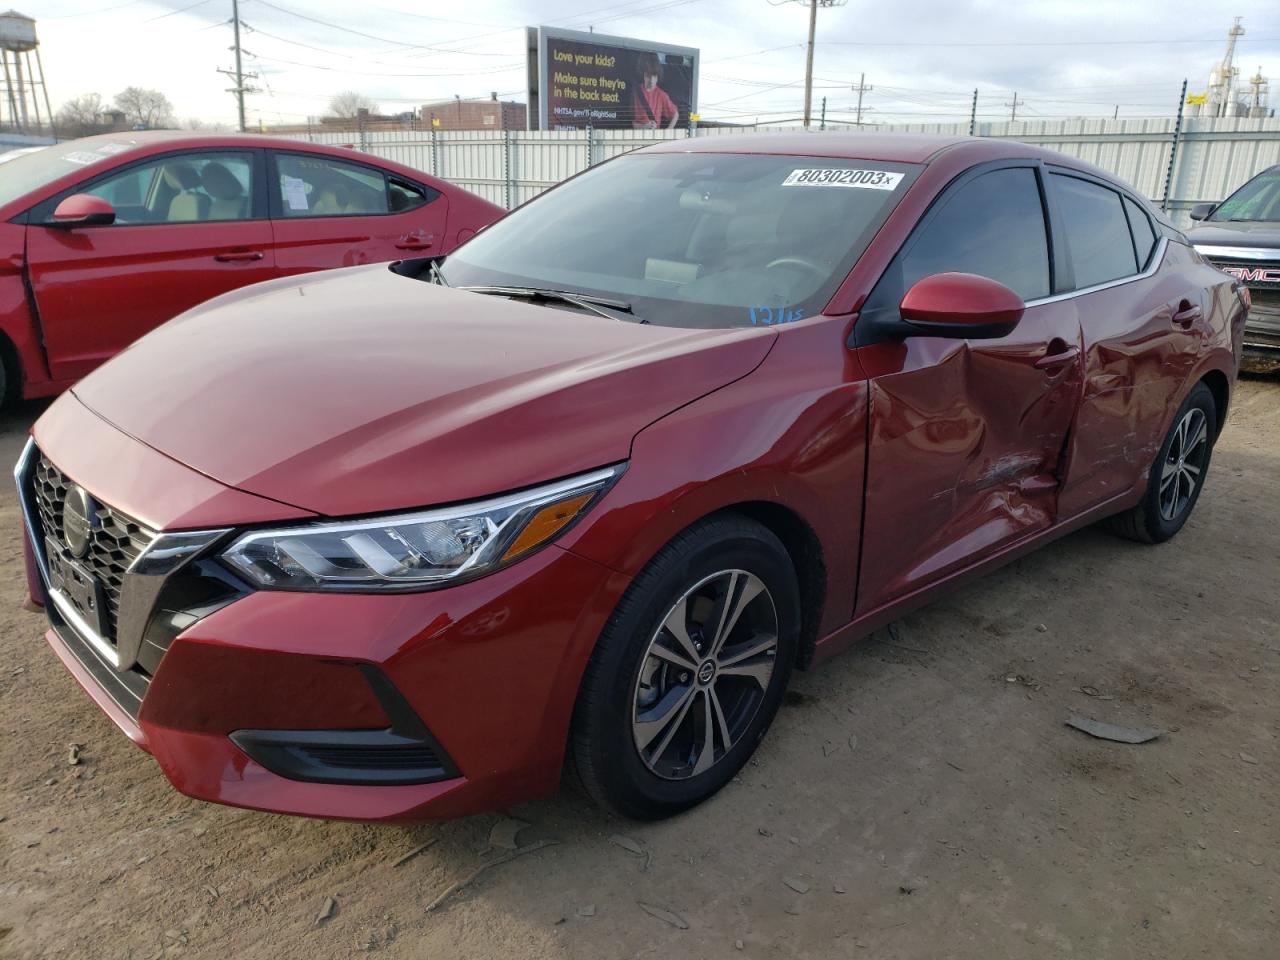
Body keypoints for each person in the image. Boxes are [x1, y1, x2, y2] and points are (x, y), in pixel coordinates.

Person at [631, 52, 679, 130]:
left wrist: (667, 132)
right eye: (648, 76)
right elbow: (631, 122)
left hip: (654, 137)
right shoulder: (635, 92)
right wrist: (644, 127)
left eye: (654, 76)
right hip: (637, 136)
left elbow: (675, 114)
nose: (651, 81)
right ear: (642, 75)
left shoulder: (661, 95)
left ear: (658, 76)